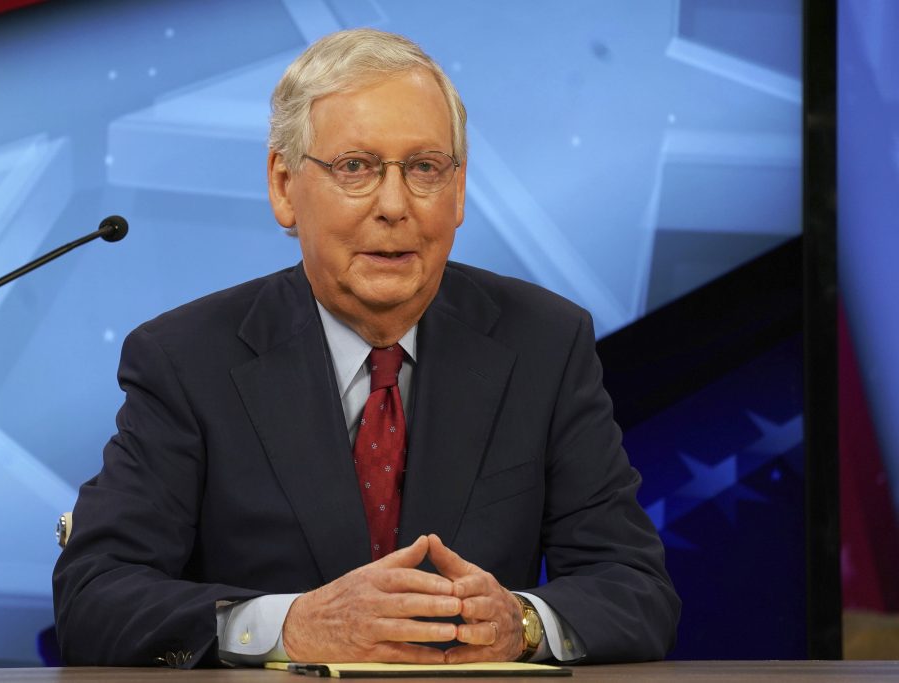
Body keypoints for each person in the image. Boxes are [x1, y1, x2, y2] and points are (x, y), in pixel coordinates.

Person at [52, 28, 680, 669]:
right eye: (355, 167)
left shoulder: (545, 342)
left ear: (458, 190)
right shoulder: (185, 360)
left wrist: (518, 624)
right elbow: (95, 596)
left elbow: (634, 588)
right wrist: (290, 625)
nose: (394, 205)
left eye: (425, 168)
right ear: (283, 185)